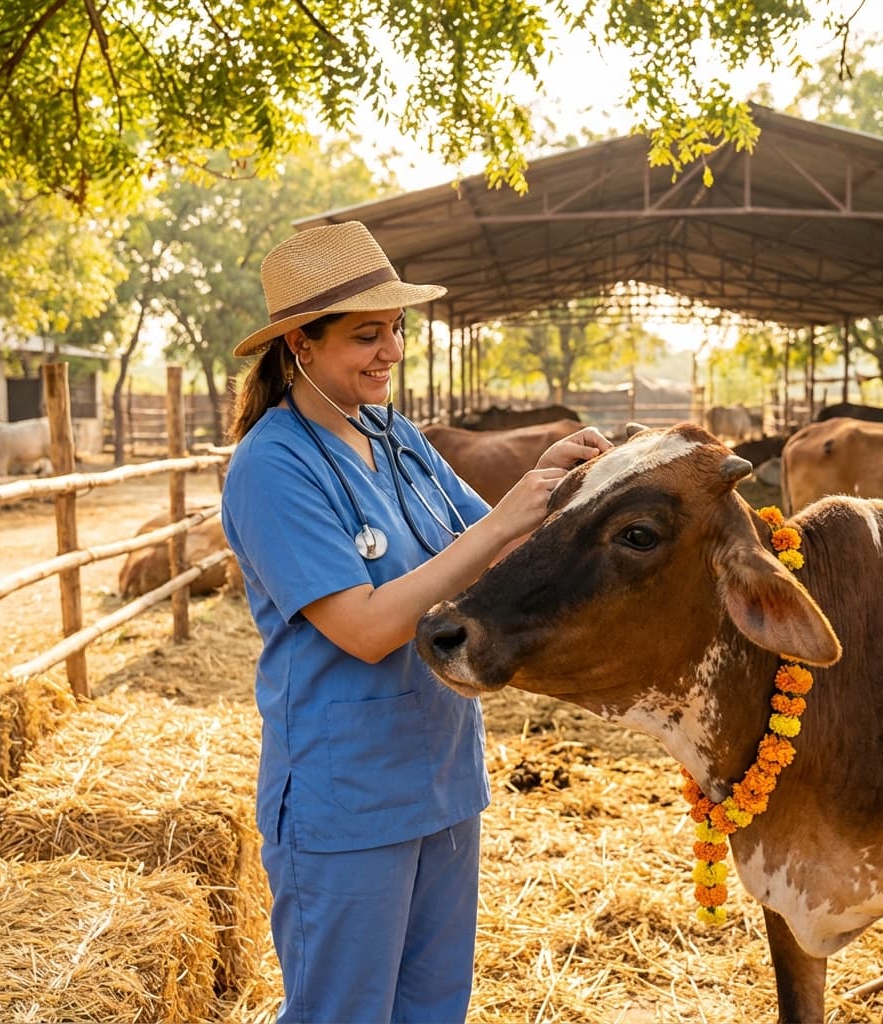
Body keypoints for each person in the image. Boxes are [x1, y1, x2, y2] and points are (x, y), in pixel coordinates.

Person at [221, 220, 613, 1024]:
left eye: (396, 330)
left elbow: (492, 559)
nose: (391, 352)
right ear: (300, 343)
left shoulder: (395, 439)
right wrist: (506, 519)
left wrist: (570, 488)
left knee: (435, 1008)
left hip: (442, 778)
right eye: (367, 336)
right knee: (345, 1013)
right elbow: (364, 629)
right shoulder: (273, 465)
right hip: (348, 795)